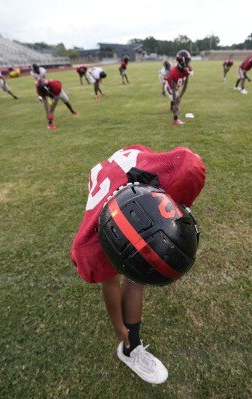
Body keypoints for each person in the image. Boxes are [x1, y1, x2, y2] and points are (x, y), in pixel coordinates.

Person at [71, 145, 206, 384]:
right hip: (107, 190)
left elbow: (187, 164)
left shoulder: (163, 166)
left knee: (138, 270)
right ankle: (129, 347)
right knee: (130, 271)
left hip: (116, 174)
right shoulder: (92, 244)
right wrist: (120, 329)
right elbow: (109, 284)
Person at [164, 50, 192, 125]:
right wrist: (176, 102)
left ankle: (173, 108)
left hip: (176, 87)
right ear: (181, 61)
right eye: (186, 61)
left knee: (177, 99)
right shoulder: (174, 72)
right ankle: (175, 120)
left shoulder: (187, 69)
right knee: (176, 102)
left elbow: (185, 85)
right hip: (169, 87)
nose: (188, 63)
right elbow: (173, 89)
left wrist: (180, 96)